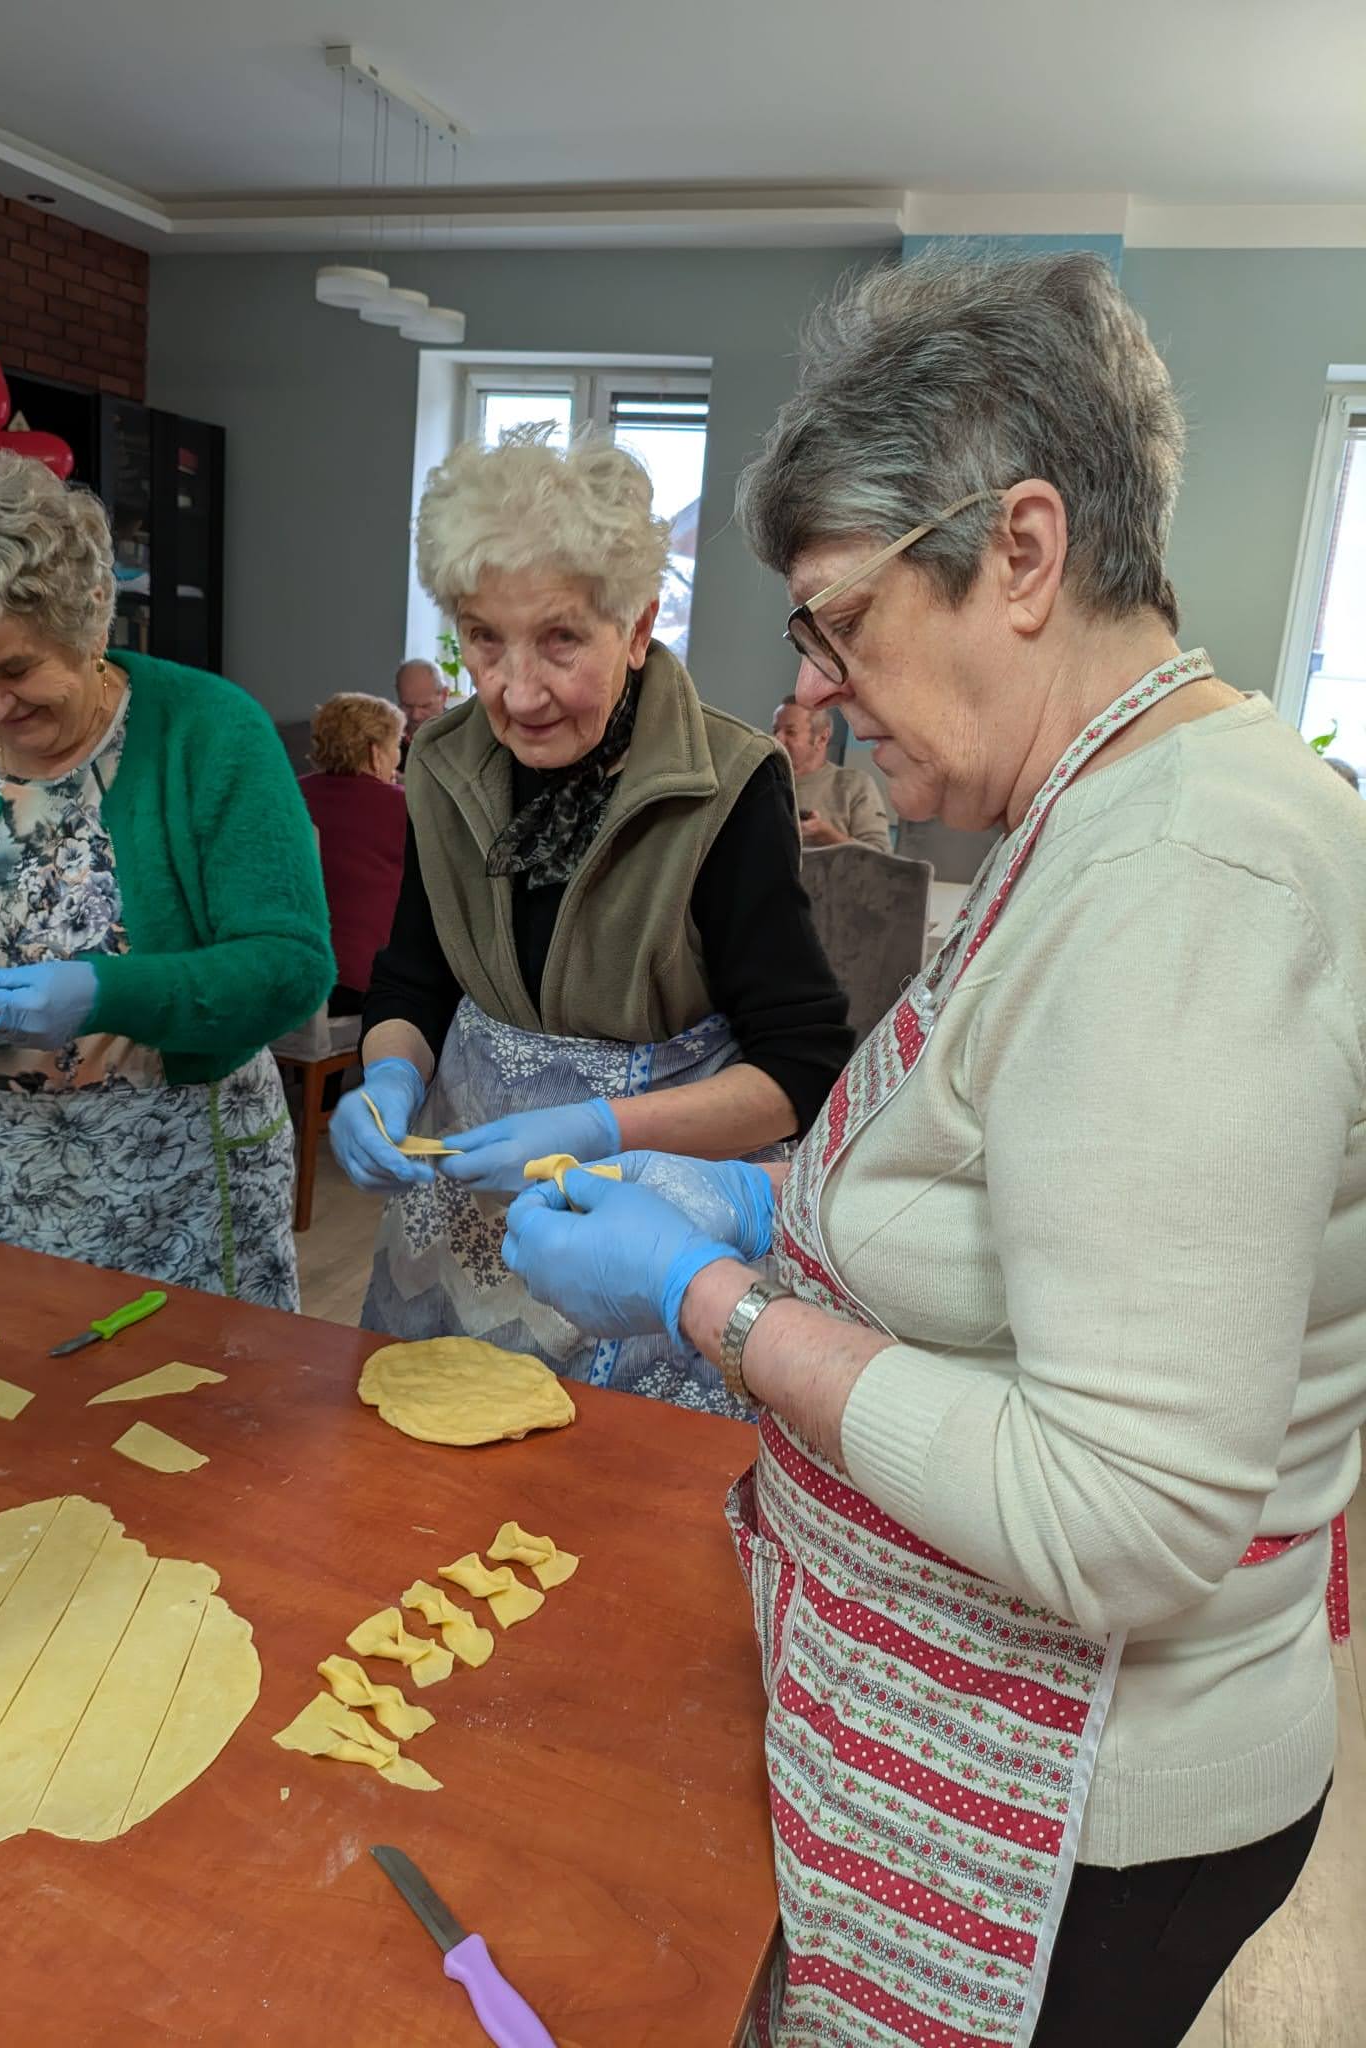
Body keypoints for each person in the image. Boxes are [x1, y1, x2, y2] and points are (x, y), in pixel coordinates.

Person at [499, 253, 1366, 2046]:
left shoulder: (1184, 879)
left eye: (837, 620)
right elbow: (1023, 1189)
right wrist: (749, 1190)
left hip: (1092, 1811)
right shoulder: (1107, 803)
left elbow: (1124, 1512)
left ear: (1025, 552)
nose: (813, 687)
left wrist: (718, 1298)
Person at [331, 431, 851, 1412]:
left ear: (640, 620)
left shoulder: (729, 787)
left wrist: (603, 1123)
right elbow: (415, 980)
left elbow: (800, 1068)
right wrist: (389, 1077)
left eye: (561, 639)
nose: (516, 690)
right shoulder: (441, 766)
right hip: (462, 1234)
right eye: (483, 638)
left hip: (633, 1233)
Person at [0, 444, 332, 1309]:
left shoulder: (210, 734)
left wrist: (105, 992)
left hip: (180, 1188)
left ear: (91, 615)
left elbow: (290, 967)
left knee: (198, 1428)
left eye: (14, 669)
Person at [299, 693, 407, 1016]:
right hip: (361, 982)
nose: (398, 759)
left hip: (294, 975)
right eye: (396, 747)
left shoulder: (289, 795)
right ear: (376, 754)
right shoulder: (403, 807)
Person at [771, 693, 890, 849]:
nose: (777, 739)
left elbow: (881, 859)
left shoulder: (855, 785)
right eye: (775, 731)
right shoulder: (764, 783)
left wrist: (827, 836)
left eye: (790, 732)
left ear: (822, 739)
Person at [395, 658, 450, 764]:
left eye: (425, 706)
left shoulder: (461, 737)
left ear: (444, 695)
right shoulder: (385, 737)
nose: (415, 716)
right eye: (407, 705)